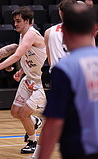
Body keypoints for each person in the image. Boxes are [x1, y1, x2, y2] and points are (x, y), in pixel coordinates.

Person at [38, 5, 98, 159]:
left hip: (81, 149)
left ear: (63, 31)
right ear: (94, 30)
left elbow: (54, 122)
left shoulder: (65, 69)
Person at [0, 6, 47, 154]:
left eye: (18, 21)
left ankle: (32, 141)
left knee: (23, 113)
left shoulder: (31, 34)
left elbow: (17, 55)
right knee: (15, 112)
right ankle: (35, 122)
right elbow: (29, 57)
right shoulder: (23, 34)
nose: (16, 24)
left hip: (41, 82)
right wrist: (21, 70)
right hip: (29, 77)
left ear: (27, 21)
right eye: (14, 21)